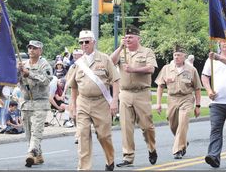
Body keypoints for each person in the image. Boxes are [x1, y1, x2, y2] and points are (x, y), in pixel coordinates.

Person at [69, 30, 119, 171]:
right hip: (83, 102)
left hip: (101, 102)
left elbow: (116, 80)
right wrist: (73, 105)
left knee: (104, 136)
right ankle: (84, 168)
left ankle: (110, 159)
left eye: (87, 41)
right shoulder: (78, 63)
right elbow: (73, 86)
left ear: (93, 42)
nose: (84, 44)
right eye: (81, 42)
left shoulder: (104, 59)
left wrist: (114, 101)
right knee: (83, 134)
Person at [110, 25, 158, 167]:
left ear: (138, 38)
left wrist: (134, 69)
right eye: (126, 37)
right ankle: (128, 157)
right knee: (126, 127)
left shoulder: (147, 52)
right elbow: (110, 62)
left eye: (131, 37)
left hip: (141, 93)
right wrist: (120, 47)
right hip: (124, 93)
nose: (128, 39)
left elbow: (151, 68)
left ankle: (151, 148)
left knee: (147, 126)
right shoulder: (122, 52)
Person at [155, 46, 202, 159]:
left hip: (186, 98)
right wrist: (158, 103)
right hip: (172, 99)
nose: (176, 57)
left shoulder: (191, 70)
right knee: (172, 124)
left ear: (184, 56)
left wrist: (198, 106)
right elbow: (160, 86)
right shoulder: (167, 68)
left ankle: (177, 150)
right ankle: (183, 141)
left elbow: (197, 88)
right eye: (175, 55)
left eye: (179, 55)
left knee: (183, 122)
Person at [202, 40, 226, 168]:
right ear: (219, 45)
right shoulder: (211, 60)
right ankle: (213, 156)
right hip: (217, 103)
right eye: (222, 42)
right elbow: (205, 76)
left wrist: (218, 58)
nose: (225, 44)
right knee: (216, 129)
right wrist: (209, 90)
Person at [17, 40, 52, 167]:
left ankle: (31, 153)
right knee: (29, 132)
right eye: (30, 48)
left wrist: (29, 73)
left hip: (40, 102)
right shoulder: (23, 64)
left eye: (35, 48)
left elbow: (46, 80)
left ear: (40, 51)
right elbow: (17, 81)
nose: (31, 50)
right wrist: (18, 71)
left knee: (37, 130)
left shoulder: (44, 65)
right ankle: (39, 155)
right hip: (26, 102)